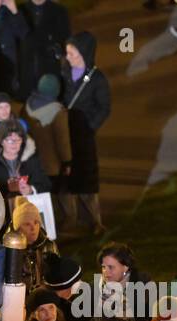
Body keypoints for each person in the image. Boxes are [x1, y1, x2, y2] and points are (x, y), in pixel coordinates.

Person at [59, 32, 109, 235]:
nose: (68, 57)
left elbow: (104, 108)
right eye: (67, 52)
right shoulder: (63, 72)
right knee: (65, 177)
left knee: (87, 178)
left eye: (73, 53)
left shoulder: (97, 79)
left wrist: (90, 127)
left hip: (83, 137)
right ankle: (70, 219)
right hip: (63, 133)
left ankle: (95, 221)